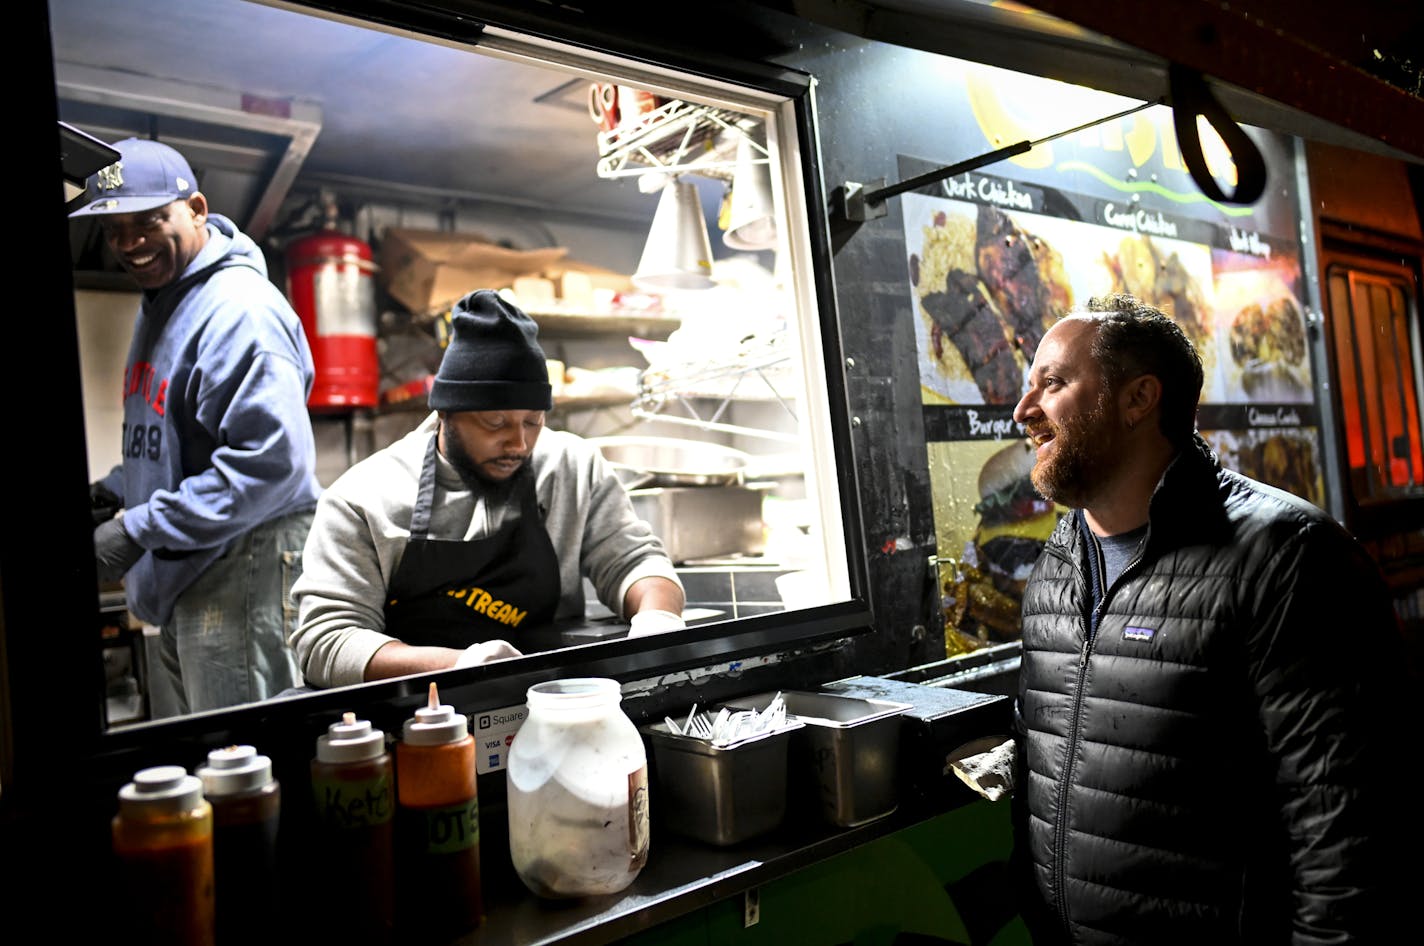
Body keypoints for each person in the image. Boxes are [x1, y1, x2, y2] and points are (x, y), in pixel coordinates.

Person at [1006, 293, 1409, 944]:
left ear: (1140, 399)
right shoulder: (1055, 570)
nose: (1024, 412)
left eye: (1051, 384)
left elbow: (1348, 829)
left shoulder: (1287, 559)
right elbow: (1037, 771)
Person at [290, 289, 686, 687]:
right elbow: (327, 643)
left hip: (548, 704)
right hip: (416, 723)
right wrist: (458, 666)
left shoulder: (571, 468)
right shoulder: (362, 499)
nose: (518, 444)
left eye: (532, 421)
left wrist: (657, 618)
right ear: (445, 412)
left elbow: (633, 561)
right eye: (495, 423)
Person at [70, 137, 322, 714]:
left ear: (197, 209)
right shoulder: (164, 302)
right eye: (114, 230)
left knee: (247, 766)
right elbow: (180, 436)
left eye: (148, 221)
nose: (129, 243)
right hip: (195, 567)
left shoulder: (239, 310)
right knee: (212, 769)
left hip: (245, 565)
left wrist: (138, 527)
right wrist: (117, 488)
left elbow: (271, 466)